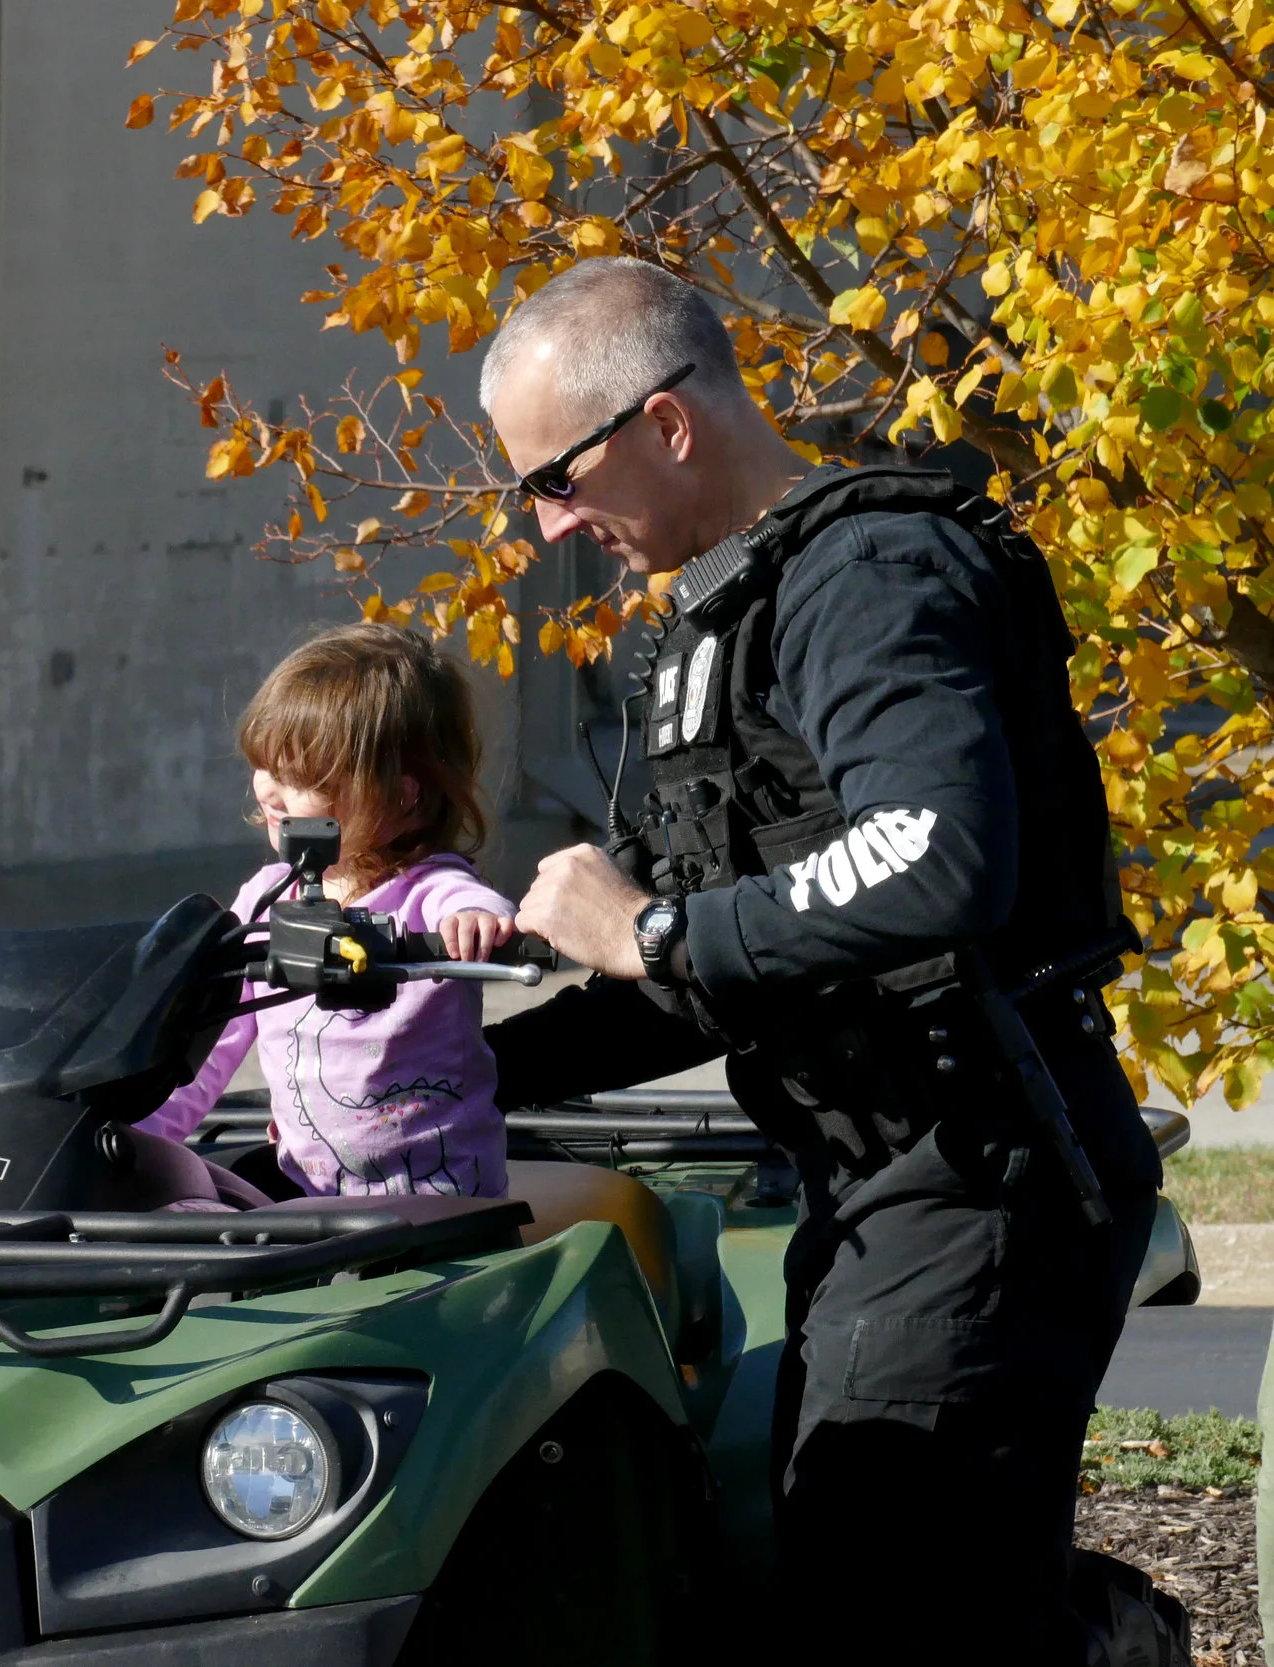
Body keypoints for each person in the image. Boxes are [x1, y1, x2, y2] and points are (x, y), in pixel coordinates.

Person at [477, 258, 1162, 1663]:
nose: (549, 522)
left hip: (984, 1172)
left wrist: (650, 925)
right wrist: (460, 1072)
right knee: (865, 1581)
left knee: (890, 1601)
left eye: (555, 476)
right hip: (881, 1181)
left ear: (665, 424)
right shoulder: (726, 620)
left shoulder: (872, 575)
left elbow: (934, 854)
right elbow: (746, 956)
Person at [137, 623, 519, 1199]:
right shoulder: (272, 895)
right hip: (307, 1186)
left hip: (440, 1196)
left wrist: (478, 921)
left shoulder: (426, 890)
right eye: (265, 764)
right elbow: (211, 1041)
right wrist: (145, 1140)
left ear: (402, 797)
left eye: (302, 777)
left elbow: (467, 900)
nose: (267, 791)